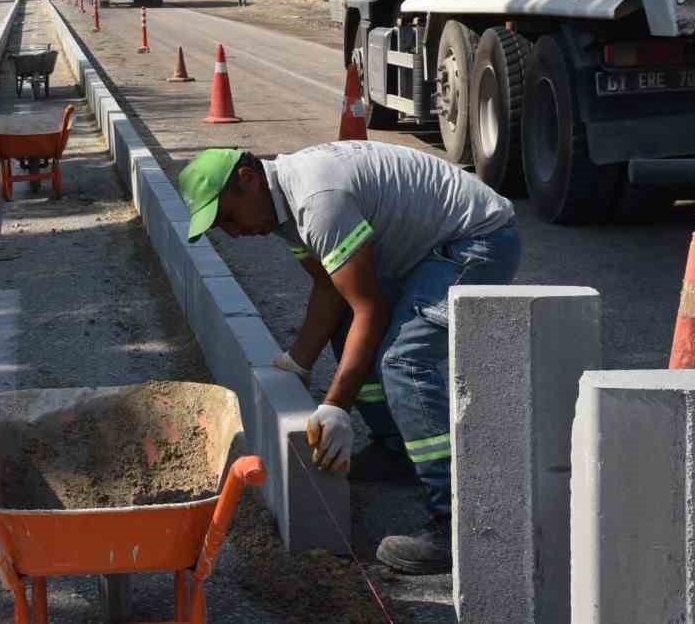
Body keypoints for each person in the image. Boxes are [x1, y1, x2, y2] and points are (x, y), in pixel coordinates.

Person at [176, 140, 520, 574]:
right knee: (348, 329)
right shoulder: (285, 214)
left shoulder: (319, 203)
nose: (232, 232)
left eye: (227, 216)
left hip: (476, 242)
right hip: (429, 250)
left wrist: (336, 406)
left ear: (247, 179)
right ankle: (395, 449)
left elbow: (368, 307)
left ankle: (460, 523)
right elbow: (329, 288)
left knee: (402, 361)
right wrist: (297, 361)